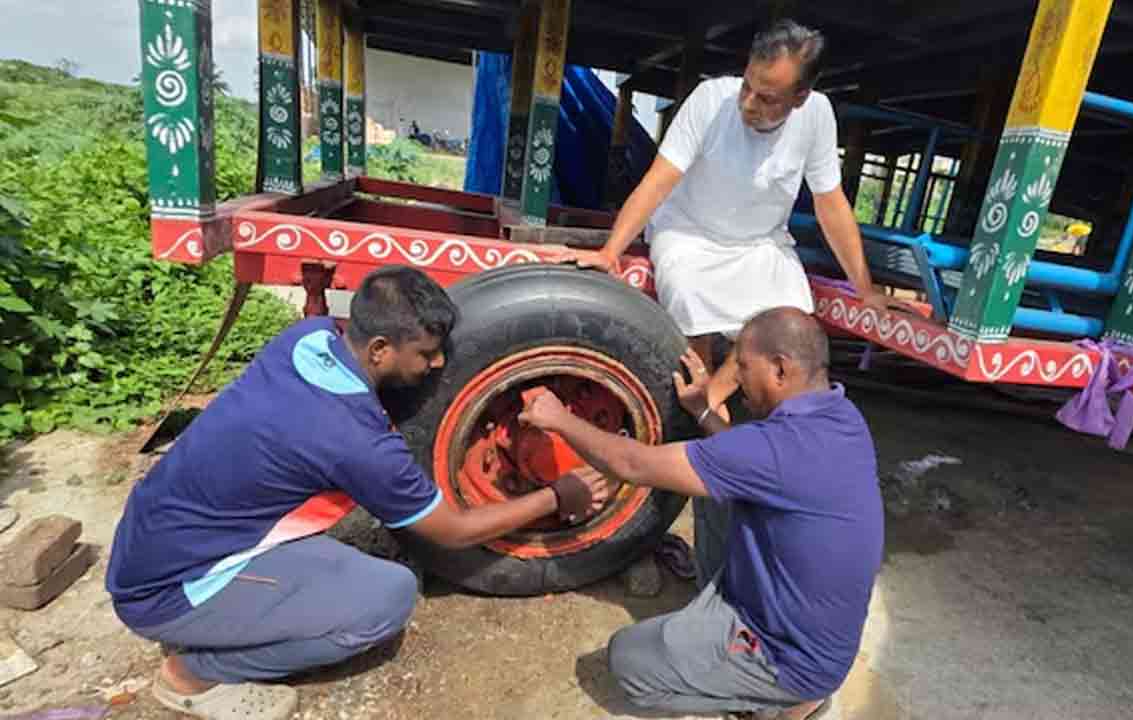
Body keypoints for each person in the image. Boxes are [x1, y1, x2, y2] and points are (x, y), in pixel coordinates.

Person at [106, 265, 609, 720]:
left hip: (154, 535)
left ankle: (217, 620)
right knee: (384, 600)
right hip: (168, 589)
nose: (436, 367)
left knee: (352, 563)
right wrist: (556, 497)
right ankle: (197, 673)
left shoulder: (307, 339)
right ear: (378, 350)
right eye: (426, 355)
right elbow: (453, 532)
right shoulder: (353, 440)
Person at [519, 308, 884, 720]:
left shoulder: (777, 449)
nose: (738, 379)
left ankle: (782, 704)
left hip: (787, 659)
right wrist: (703, 412)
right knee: (713, 490)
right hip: (807, 626)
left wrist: (559, 419)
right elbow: (750, 463)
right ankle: (722, 632)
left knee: (629, 660)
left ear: (780, 369)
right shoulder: (841, 417)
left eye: (744, 366)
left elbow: (633, 464)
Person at [575, 19, 894, 417]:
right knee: (690, 299)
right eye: (747, 86)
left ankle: (709, 401)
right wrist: (610, 252)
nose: (748, 103)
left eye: (766, 98)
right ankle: (701, 399)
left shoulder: (817, 115)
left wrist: (864, 289)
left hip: (761, 242)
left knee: (790, 312)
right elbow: (658, 181)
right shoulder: (711, 99)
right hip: (688, 231)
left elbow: (831, 204)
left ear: (799, 98)